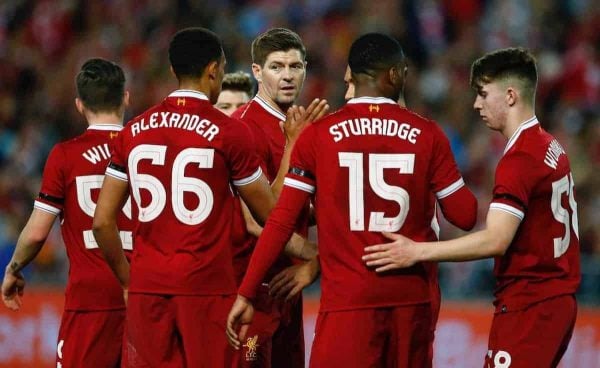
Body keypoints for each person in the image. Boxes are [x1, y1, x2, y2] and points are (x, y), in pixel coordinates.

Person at [227, 33, 477, 368]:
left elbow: (280, 219)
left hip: (346, 300)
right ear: (394, 75)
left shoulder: (317, 135)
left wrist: (245, 291)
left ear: (352, 77)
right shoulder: (427, 134)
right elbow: (465, 215)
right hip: (411, 301)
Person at [362, 47, 581, 368]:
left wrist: (417, 251)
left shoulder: (519, 159)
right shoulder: (550, 145)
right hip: (554, 300)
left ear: (509, 95)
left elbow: (496, 239)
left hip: (530, 304)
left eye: (482, 93)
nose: (476, 104)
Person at [92, 27, 278, 367]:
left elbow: (103, 222)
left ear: (174, 70)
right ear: (213, 70)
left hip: (148, 289)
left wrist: (129, 281)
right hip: (207, 290)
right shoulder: (230, 132)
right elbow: (272, 216)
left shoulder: (132, 132)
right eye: (222, 68)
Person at [1, 58, 133, 367]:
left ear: (79, 105)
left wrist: (14, 268)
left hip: (90, 301)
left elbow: (36, 233)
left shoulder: (65, 156)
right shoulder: (148, 149)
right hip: (147, 296)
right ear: (126, 97)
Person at [231, 27, 327, 368]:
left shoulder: (301, 124)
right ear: (257, 72)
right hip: (253, 291)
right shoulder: (244, 127)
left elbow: (305, 208)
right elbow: (259, 218)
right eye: (276, 67)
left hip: (288, 289)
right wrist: (319, 255)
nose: (287, 76)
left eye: (295, 66)